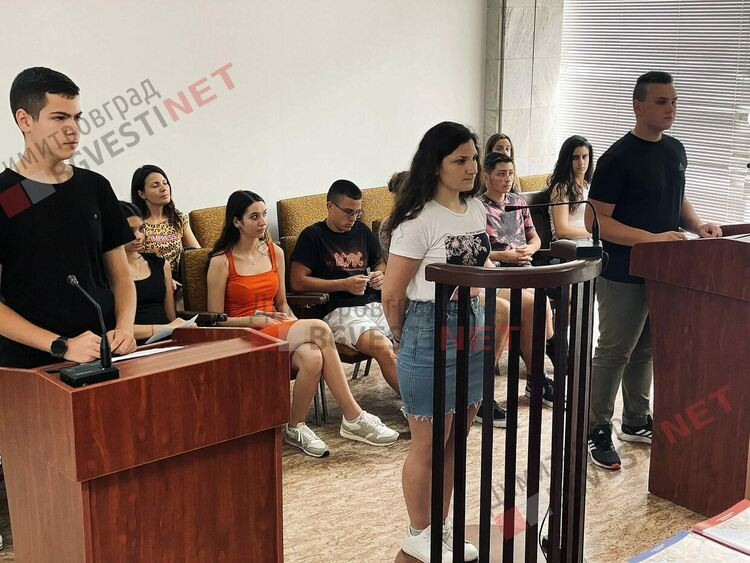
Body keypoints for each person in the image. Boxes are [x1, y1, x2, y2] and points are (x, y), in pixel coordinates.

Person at [585, 71, 722, 471]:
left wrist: (697, 225)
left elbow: (677, 199)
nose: (671, 109)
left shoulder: (675, 149)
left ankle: (634, 420)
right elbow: (597, 221)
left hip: (664, 271)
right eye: (662, 102)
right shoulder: (616, 158)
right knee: (615, 351)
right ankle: (596, 428)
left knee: (646, 348)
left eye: (674, 101)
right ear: (638, 106)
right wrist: (651, 239)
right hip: (622, 270)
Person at [207, 190, 398, 458]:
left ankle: (295, 426)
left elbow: (282, 304)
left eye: (264, 214)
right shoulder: (221, 261)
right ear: (236, 222)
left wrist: (295, 326)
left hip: (276, 328)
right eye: (254, 217)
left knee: (312, 356)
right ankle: (353, 415)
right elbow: (215, 322)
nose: (262, 222)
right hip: (243, 334)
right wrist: (252, 320)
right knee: (319, 329)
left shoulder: (274, 252)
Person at [382, 121, 490, 562]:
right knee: (428, 442)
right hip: (429, 325)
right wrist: (402, 335)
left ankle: (439, 527)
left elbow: (480, 269)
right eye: (460, 160)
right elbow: (393, 293)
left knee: (454, 441)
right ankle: (419, 530)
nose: (471, 167)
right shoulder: (418, 220)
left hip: (472, 323)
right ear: (436, 165)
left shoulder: (476, 209)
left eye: (473, 158)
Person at [0, 67, 136, 369]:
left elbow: (122, 277)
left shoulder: (94, 187)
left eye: (77, 118)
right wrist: (60, 345)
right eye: (60, 118)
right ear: (25, 120)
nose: (73, 129)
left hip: (103, 354)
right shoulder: (8, 196)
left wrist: (125, 328)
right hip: (33, 366)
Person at [290, 179, 399, 394]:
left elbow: (380, 262)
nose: (353, 218)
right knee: (384, 348)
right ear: (330, 206)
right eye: (349, 212)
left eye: (358, 212)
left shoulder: (362, 231)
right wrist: (343, 284)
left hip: (372, 305)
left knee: (412, 340)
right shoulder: (312, 236)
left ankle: (428, 400)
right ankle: (418, 408)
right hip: (337, 312)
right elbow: (297, 281)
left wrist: (380, 275)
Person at [478, 152, 555, 412]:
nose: (507, 179)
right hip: (497, 273)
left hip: (523, 268)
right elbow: (476, 251)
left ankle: (536, 378)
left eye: (510, 173)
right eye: (501, 174)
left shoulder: (518, 202)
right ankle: (484, 390)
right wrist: (506, 256)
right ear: (486, 176)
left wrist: (530, 249)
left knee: (539, 303)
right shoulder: (477, 207)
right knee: (535, 305)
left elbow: (534, 238)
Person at [119, 201, 194, 344]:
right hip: (132, 344)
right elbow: (113, 330)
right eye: (130, 230)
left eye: (141, 229)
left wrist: (181, 327)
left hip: (166, 339)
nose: (138, 236)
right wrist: (164, 328)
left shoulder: (160, 264)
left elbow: (171, 317)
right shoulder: (106, 271)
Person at [130, 164, 200, 281]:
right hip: (150, 279)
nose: (164, 188)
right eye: (155, 185)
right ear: (141, 193)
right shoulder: (136, 223)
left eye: (165, 183)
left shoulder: (177, 217)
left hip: (179, 280)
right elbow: (130, 261)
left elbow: (196, 254)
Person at [546, 135, 594, 241]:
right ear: (567, 160)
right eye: (575, 158)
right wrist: (595, 233)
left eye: (585, 156)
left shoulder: (589, 186)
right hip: (569, 246)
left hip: (591, 243)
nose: (581, 162)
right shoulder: (561, 188)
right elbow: (562, 230)